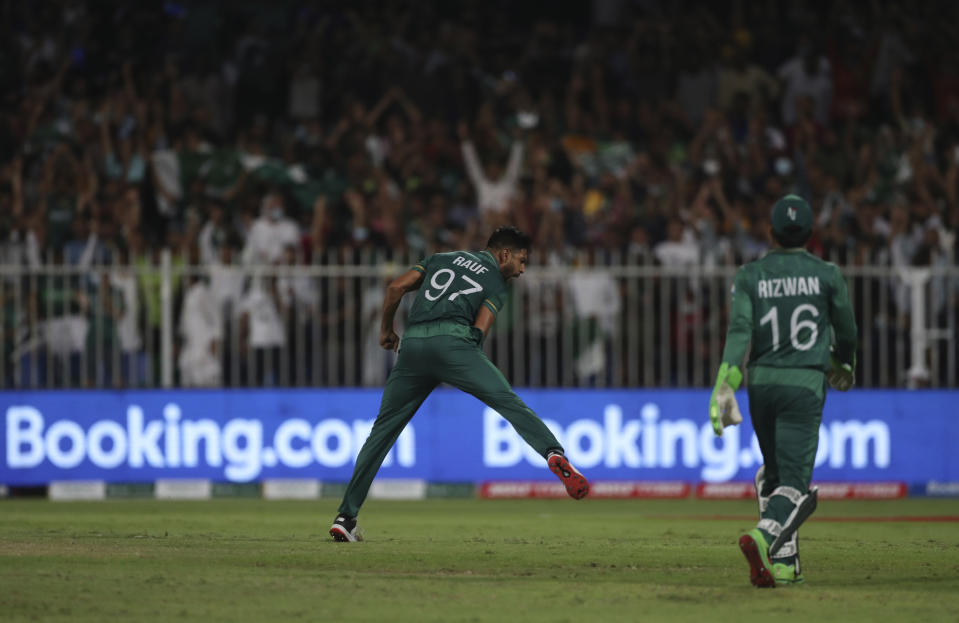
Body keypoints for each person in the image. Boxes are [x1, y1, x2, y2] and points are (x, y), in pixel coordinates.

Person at [330, 226, 589, 542]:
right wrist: (465, 357)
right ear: (503, 254)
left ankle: (346, 516)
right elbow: (480, 330)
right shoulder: (496, 281)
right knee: (507, 401)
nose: (522, 270)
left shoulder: (439, 258)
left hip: (412, 346)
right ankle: (552, 452)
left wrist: (386, 331)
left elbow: (396, 288)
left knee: (381, 433)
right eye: (521, 261)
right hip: (455, 345)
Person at [708, 195, 857, 587]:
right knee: (795, 482)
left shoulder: (749, 275)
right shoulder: (827, 274)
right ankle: (764, 537)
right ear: (811, 233)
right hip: (803, 384)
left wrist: (727, 383)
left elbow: (740, 332)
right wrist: (844, 362)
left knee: (772, 474)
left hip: (760, 383)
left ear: (769, 232)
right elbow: (848, 331)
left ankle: (787, 566)